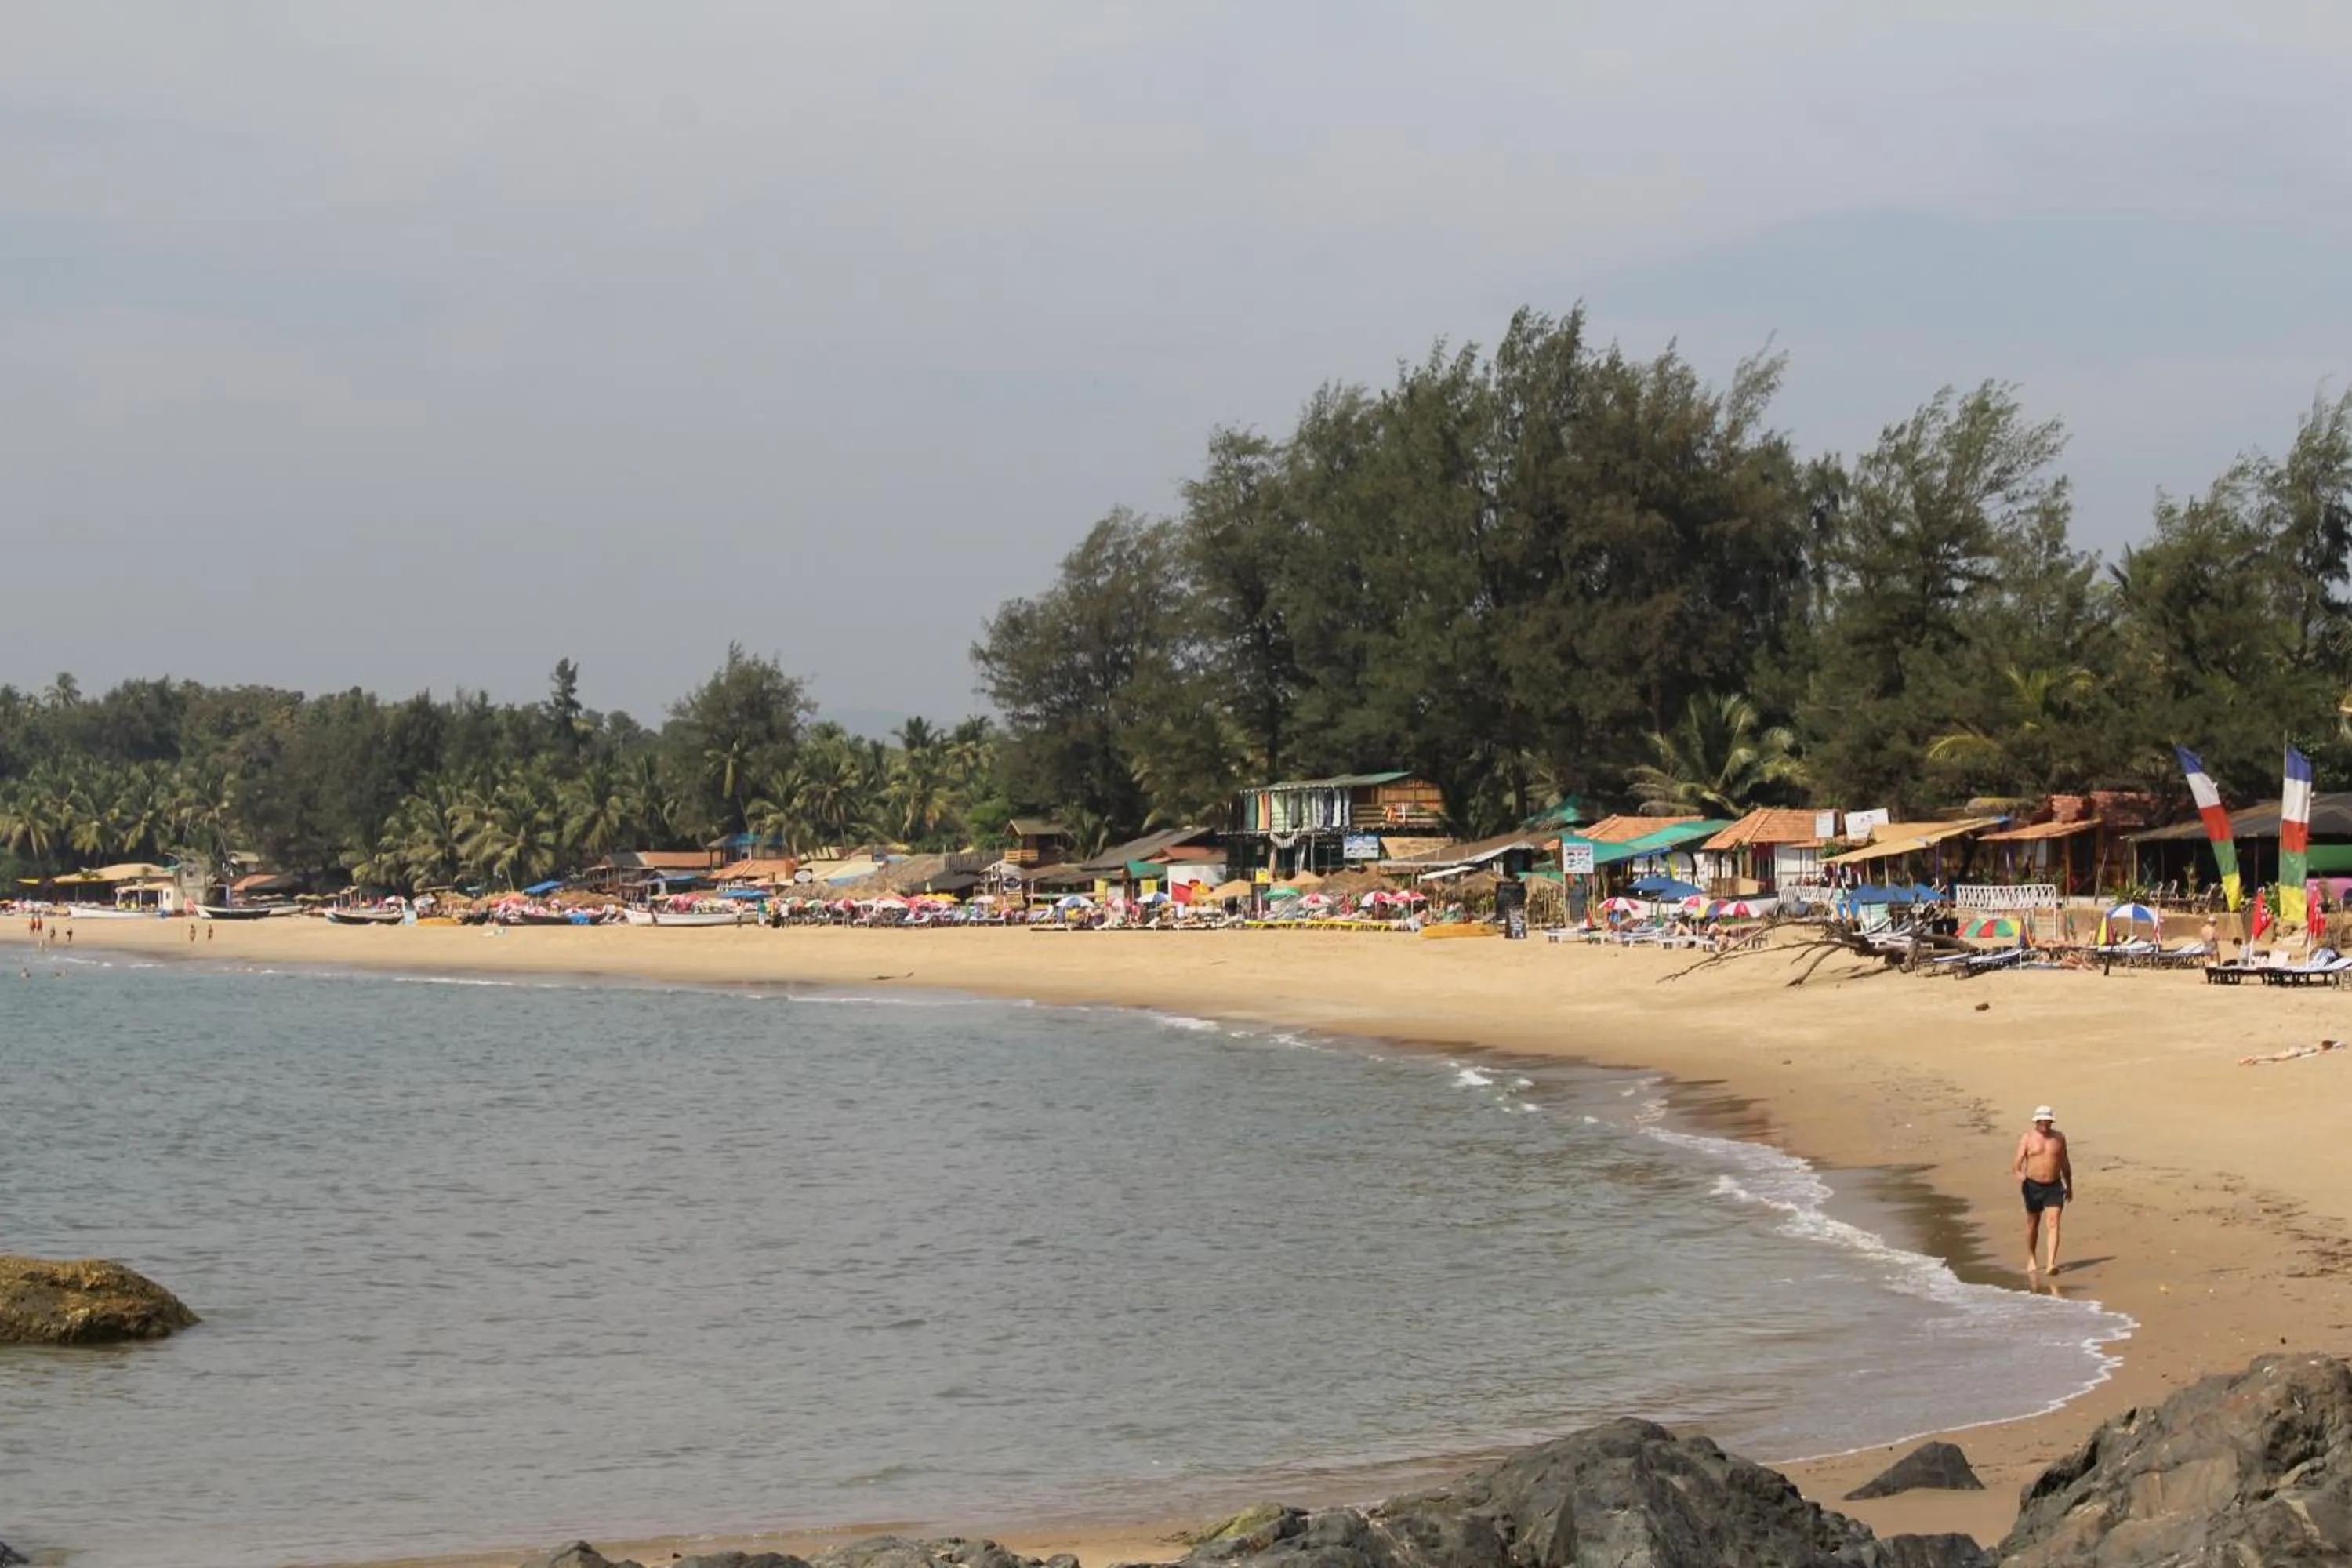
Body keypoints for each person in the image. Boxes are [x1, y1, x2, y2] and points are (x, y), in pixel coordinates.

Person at [2012, 1105, 2074, 1276]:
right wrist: (2017, 1172)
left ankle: (2050, 1264)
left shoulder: (2059, 1138)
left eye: (2047, 1121)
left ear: (2051, 1122)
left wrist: (2069, 1186)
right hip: (2032, 1186)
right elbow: (2017, 1161)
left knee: (2053, 1222)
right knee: (2033, 1223)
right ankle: (2032, 1257)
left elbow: (2065, 1163)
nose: (2044, 1124)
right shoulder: (2027, 1137)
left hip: (2054, 1186)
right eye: (2041, 1121)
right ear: (2036, 1121)